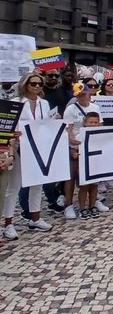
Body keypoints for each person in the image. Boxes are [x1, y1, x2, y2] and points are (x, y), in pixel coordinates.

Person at [3, 73, 54, 240]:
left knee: (37, 184)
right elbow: (8, 125)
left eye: (40, 84)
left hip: (38, 148)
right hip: (19, 148)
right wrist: (13, 134)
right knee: (14, 186)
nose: (37, 87)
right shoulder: (16, 103)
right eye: (34, 84)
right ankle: (8, 223)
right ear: (25, 85)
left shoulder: (44, 104)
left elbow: (46, 124)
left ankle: (35, 218)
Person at [63, 82, 103, 218]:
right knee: (71, 176)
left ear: (88, 93)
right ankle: (68, 204)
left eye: (83, 94)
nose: (81, 97)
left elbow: (100, 126)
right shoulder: (70, 109)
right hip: (75, 145)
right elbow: (68, 129)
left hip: (92, 146)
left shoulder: (95, 107)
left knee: (93, 177)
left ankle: (92, 202)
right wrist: (72, 143)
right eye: (78, 95)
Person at [71, 111, 108, 219]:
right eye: (91, 122)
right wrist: (74, 153)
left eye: (96, 122)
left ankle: (92, 206)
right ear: (85, 123)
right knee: (84, 187)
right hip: (83, 165)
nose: (93, 124)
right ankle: (82, 208)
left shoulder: (100, 134)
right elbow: (73, 147)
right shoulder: (79, 135)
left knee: (94, 186)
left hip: (96, 164)